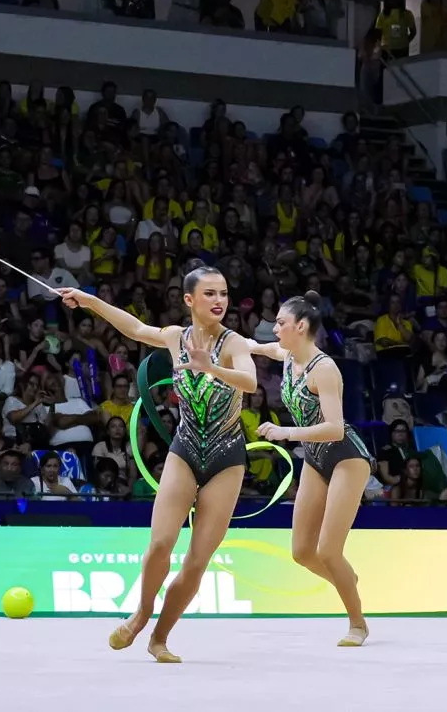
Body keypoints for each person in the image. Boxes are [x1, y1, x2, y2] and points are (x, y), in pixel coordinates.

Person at [58, 267, 257, 663]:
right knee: (161, 544)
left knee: (197, 561)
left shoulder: (234, 343)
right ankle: (141, 613)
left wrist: (211, 367)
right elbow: (134, 328)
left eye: (224, 293)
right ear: (189, 300)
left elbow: (250, 382)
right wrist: (90, 300)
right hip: (185, 451)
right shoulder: (174, 338)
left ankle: (159, 637)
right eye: (209, 294)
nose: (219, 301)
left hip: (226, 458)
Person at [253, 291, 374, 646]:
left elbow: (336, 427)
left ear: (301, 326)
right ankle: (347, 580)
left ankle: (357, 623)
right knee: (302, 552)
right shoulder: (286, 355)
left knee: (327, 551)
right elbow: (251, 346)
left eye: (280, 323)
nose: (274, 328)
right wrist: (209, 352)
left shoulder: (324, 369)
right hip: (316, 459)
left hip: (346, 457)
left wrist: (286, 432)